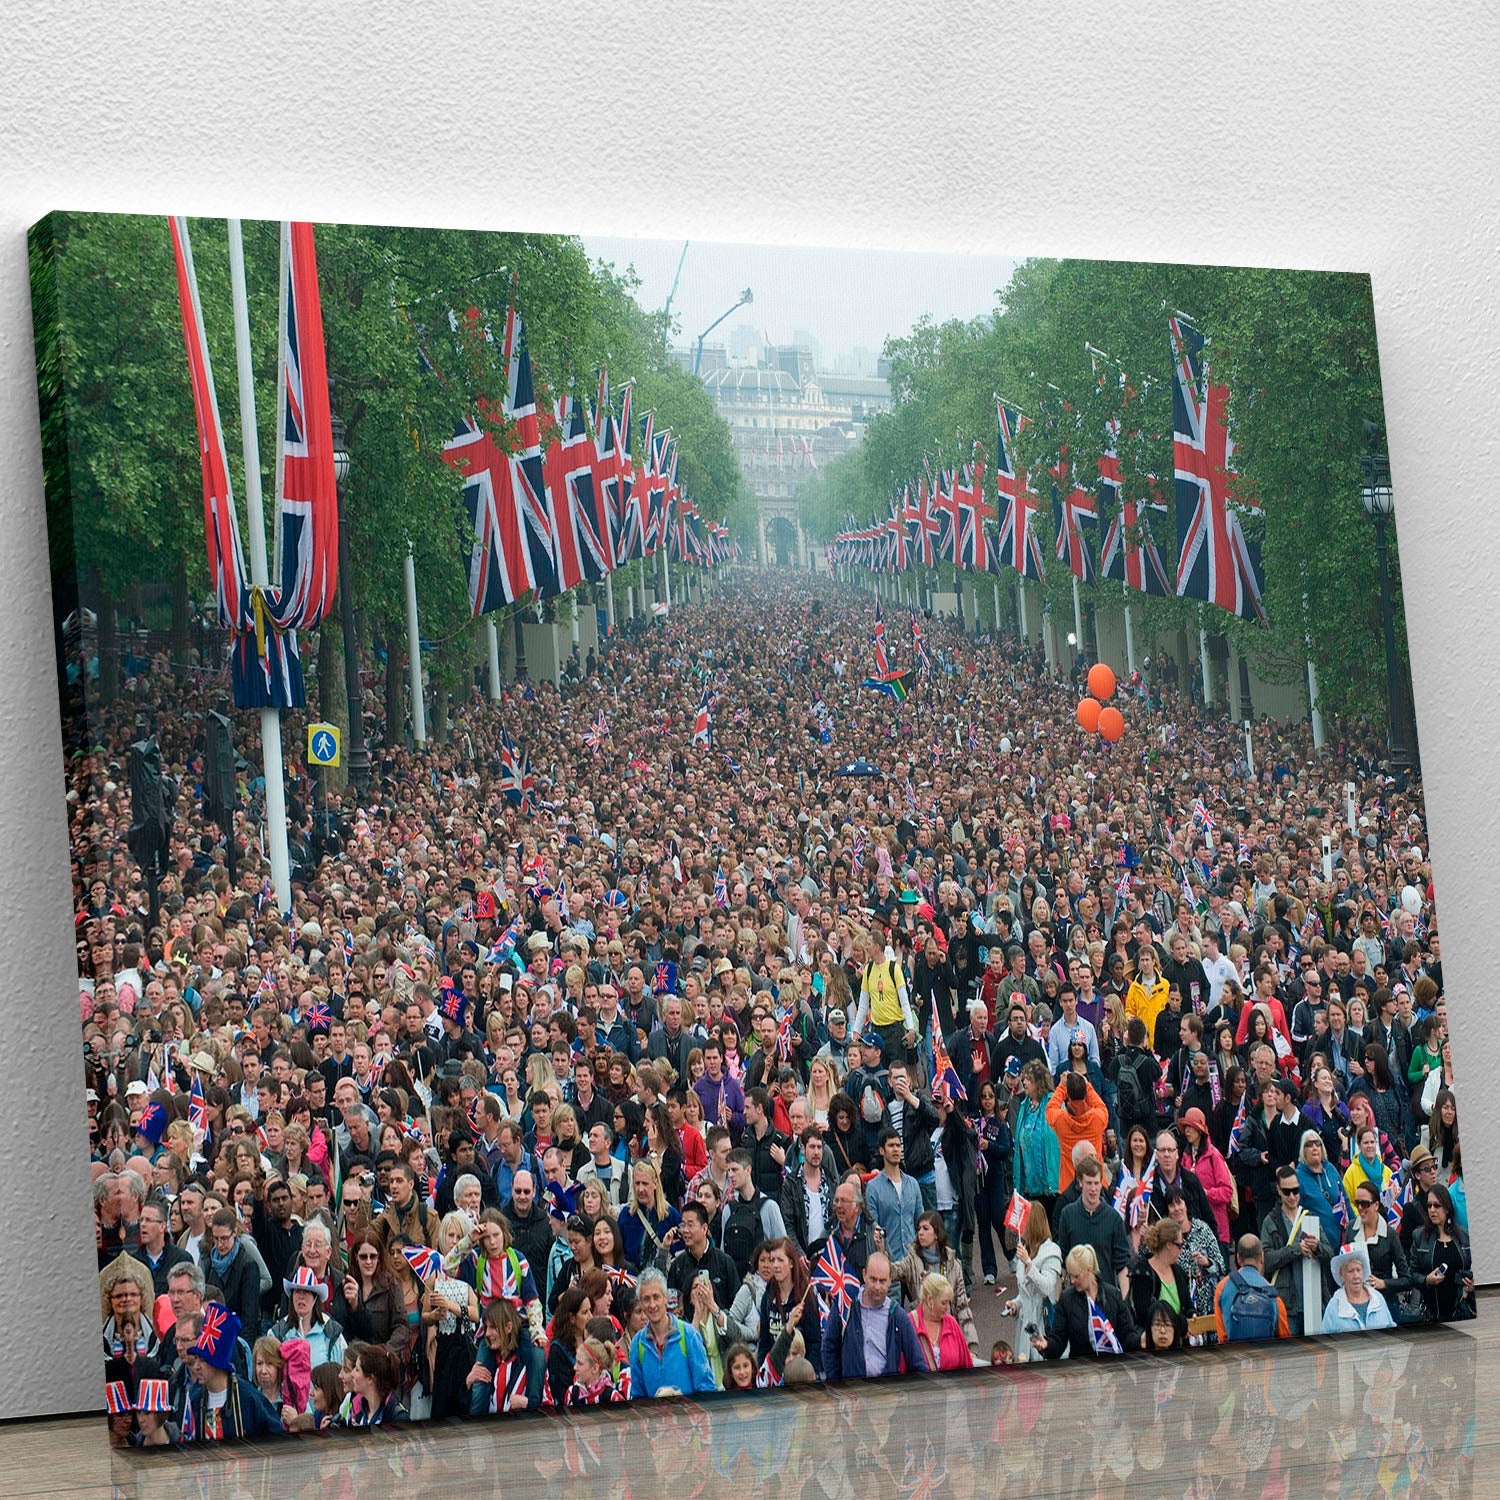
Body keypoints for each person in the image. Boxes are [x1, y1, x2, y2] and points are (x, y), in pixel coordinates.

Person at [180, 1304, 284, 1440]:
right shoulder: (195, 1398)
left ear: (218, 1363)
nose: (196, 1366)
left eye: (203, 1360)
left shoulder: (249, 1399)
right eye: (196, 1359)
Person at [821, 1251, 928, 1380]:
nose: (877, 1286)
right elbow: (829, 1347)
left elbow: (918, 1363)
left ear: (890, 1280)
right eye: (873, 1279)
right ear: (864, 1274)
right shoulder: (845, 1306)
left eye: (882, 1281)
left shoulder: (897, 1315)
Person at [891, 1211, 979, 1357]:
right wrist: (882, 1248)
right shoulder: (912, 1260)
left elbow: (963, 1306)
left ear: (937, 1234)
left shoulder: (953, 1264)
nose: (920, 1233)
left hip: (948, 1332)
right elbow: (892, 1271)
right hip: (923, 1336)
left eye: (926, 1229)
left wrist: (971, 1347)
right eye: (919, 1229)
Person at [1032, 1245, 1144, 1358]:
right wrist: (1047, 1345)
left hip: (1112, 1366)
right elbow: (1058, 1341)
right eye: (1070, 1276)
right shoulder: (1066, 1299)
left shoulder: (1113, 1295)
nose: (1072, 1281)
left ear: (1089, 1270)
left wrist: (1141, 1340)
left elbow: (1127, 1336)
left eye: (1076, 1276)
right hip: (1081, 1368)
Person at [1259, 1165, 1332, 1329]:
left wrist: (1317, 1247)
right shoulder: (1270, 1221)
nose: (1292, 1196)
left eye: (1296, 1191)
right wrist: (1295, 1250)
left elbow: (1330, 1253)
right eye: (1287, 1192)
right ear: (1278, 1190)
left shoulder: (1310, 1217)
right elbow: (1266, 1261)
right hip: (1287, 1304)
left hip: (1313, 1299)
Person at [628, 1268, 719, 1396]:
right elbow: (638, 1396)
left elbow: (707, 1388)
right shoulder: (637, 1344)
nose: (652, 1305)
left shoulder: (689, 1335)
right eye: (646, 1299)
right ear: (641, 1303)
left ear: (665, 1298)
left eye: (656, 1297)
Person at [1054, 1157, 1131, 1296]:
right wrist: (1058, 1299)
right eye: (1089, 1183)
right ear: (1080, 1182)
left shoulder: (1114, 1218)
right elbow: (1063, 1261)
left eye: (1096, 1183)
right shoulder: (1067, 1215)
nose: (1093, 1189)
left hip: (1106, 1297)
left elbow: (1122, 1265)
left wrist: (1124, 1302)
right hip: (1076, 1298)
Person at [1003, 1200, 1062, 1363]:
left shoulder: (1051, 1252)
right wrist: (1015, 1305)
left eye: (1024, 1222)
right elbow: (1025, 1294)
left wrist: (1029, 1264)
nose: (1020, 1228)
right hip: (1025, 1328)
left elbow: (1047, 1288)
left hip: (1043, 1324)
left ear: (1033, 1224)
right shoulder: (1025, 1250)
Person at [1408, 1181, 1474, 1322]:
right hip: (1430, 1314)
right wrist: (1426, 1280)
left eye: (1437, 1205)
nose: (1432, 1210)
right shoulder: (1419, 1236)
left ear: (1447, 1208)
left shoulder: (1464, 1236)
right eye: (1429, 1205)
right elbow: (1410, 1275)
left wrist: (1473, 1284)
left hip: (1460, 1312)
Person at [1213, 1236, 1291, 1342]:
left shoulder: (1222, 1288)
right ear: (1262, 1257)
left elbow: (1222, 1336)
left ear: (1238, 1258)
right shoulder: (1273, 1297)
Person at [864, 1127, 923, 1261]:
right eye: (891, 1145)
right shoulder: (873, 1187)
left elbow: (920, 1223)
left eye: (898, 1145)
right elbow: (874, 1229)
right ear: (881, 1151)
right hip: (888, 1261)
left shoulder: (913, 1184)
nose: (896, 1149)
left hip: (912, 1261)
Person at [1320, 1243, 1396, 1333]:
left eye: (1358, 1270)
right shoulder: (1334, 1306)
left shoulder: (1377, 1298)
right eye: (1350, 1271)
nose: (1356, 1276)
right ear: (1342, 1275)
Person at [911, 1272, 974, 1372]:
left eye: (949, 1302)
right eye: (944, 1303)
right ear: (930, 1300)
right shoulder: (909, 1324)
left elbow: (966, 1364)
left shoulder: (951, 1323)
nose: (948, 1307)